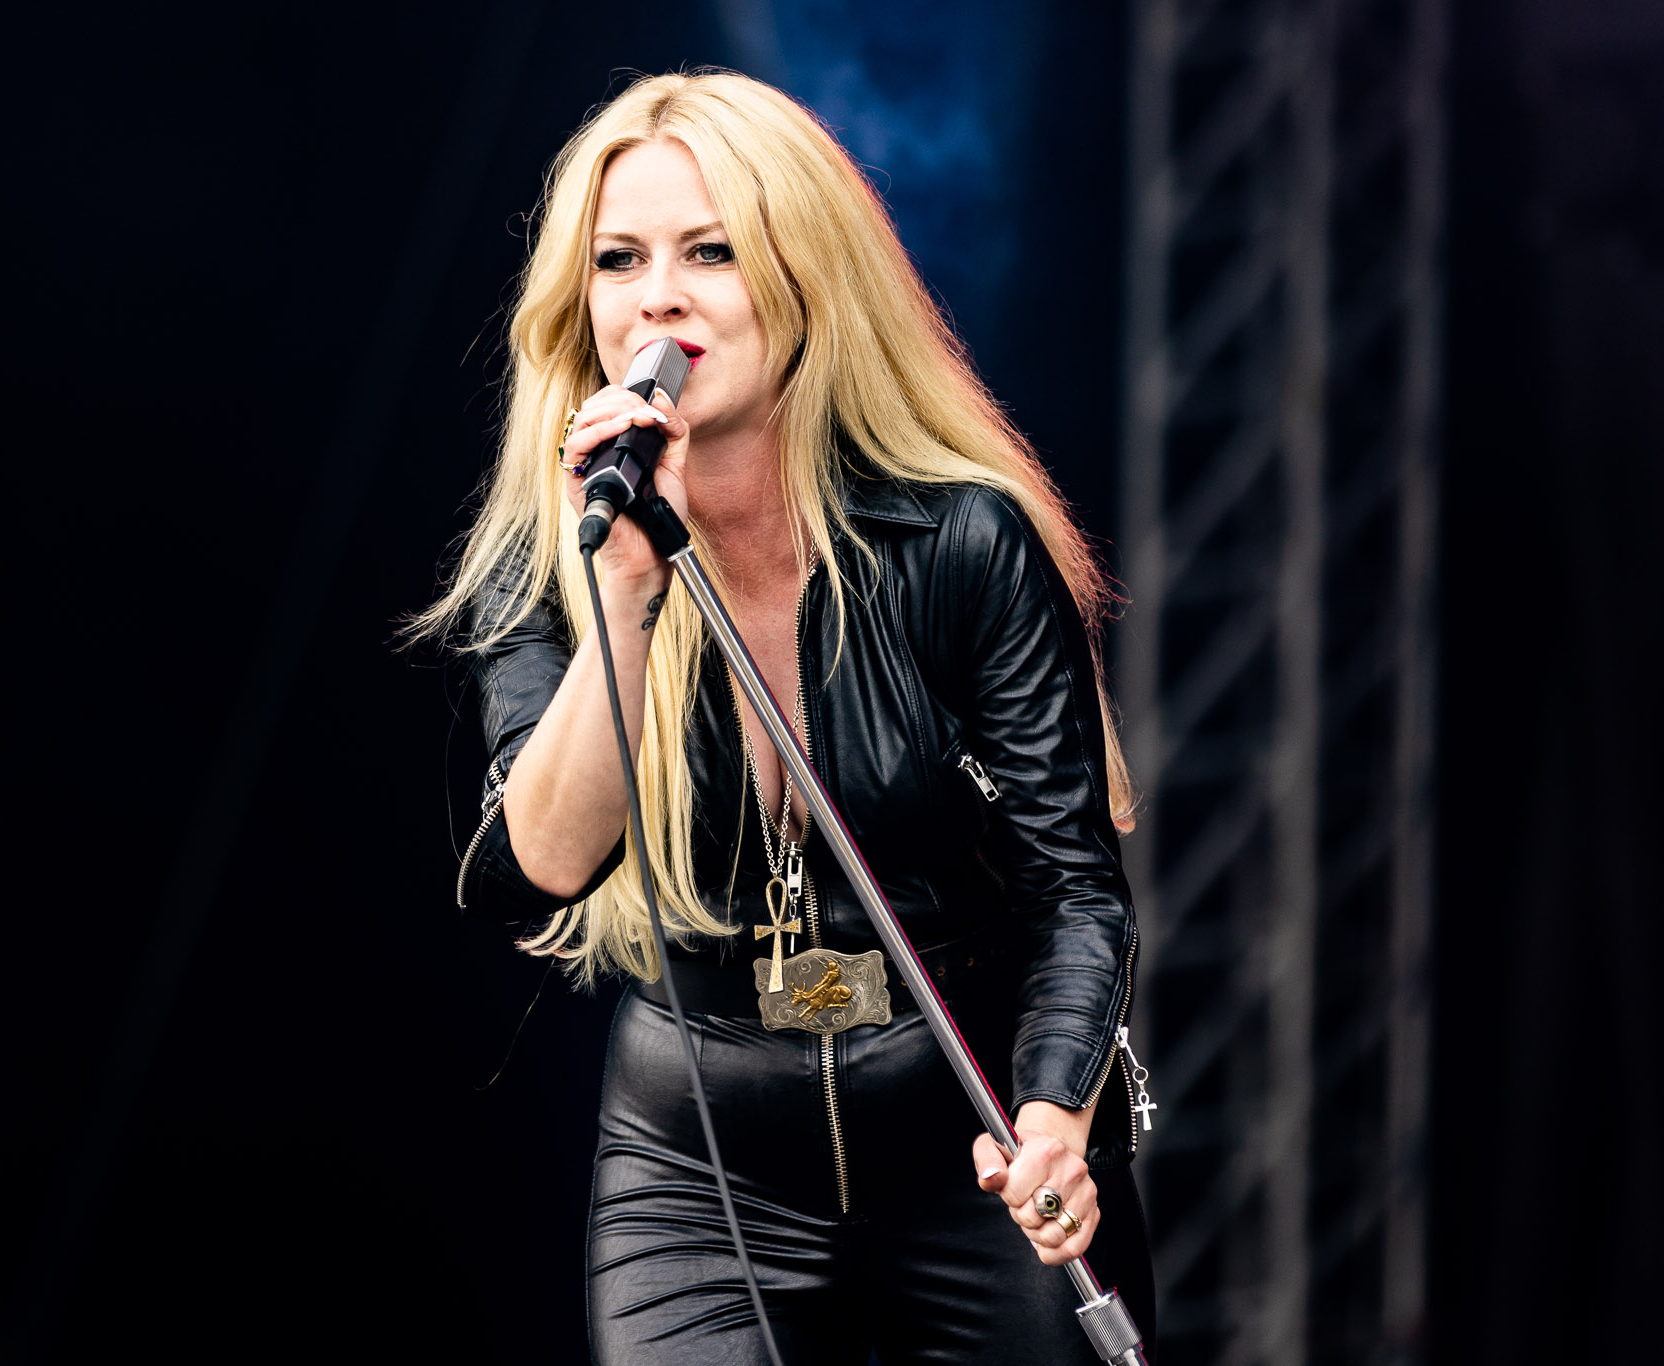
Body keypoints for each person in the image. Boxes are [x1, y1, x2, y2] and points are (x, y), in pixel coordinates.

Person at [416, 70, 1154, 1363]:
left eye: (711, 252)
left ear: (806, 280)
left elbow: (1076, 889)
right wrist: (626, 599)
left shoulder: (958, 541)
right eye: (619, 260)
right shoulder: (559, 557)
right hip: (701, 1173)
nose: (659, 296)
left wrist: (1053, 1120)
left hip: (974, 1141)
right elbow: (537, 864)